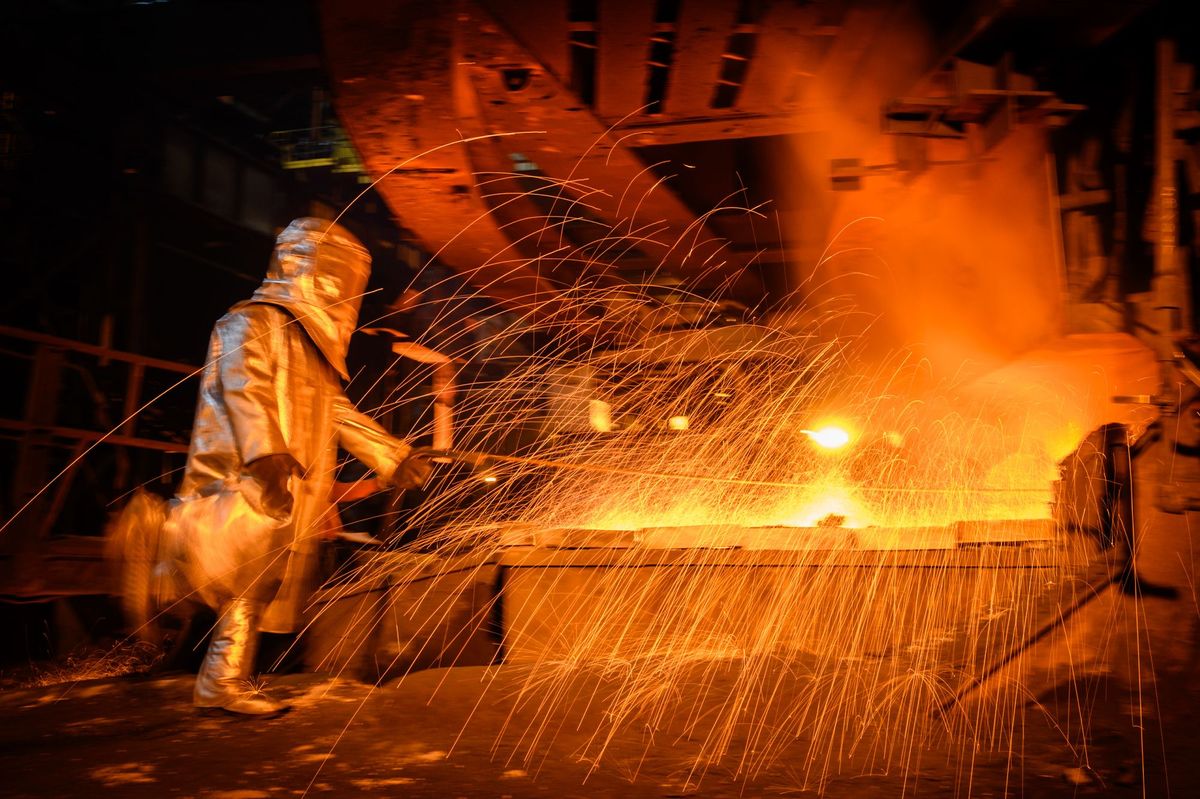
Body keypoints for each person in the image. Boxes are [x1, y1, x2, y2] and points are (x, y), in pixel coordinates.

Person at [164, 217, 429, 716]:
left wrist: (395, 457)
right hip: (239, 475)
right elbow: (247, 387)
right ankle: (218, 681)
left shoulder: (310, 349)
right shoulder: (250, 321)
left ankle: (221, 679)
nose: (340, 294)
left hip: (282, 482)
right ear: (304, 268)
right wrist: (266, 453)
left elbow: (336, 412)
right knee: (241, 579)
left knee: (256, 584)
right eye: (335, 278)